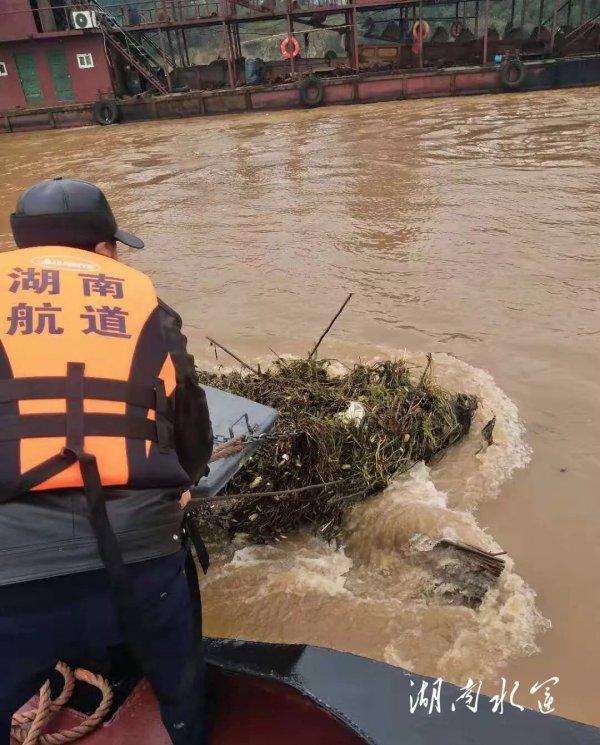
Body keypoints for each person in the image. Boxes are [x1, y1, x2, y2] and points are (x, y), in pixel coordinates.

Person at [0, 178, 213, 744]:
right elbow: (191, 420)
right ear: (100, 249)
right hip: (143, 558)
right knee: (183, 690)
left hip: (9, 576)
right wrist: (187, 481)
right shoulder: (149, 307)